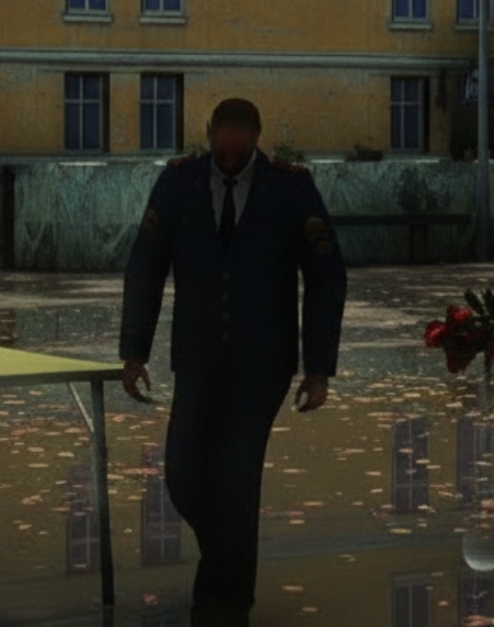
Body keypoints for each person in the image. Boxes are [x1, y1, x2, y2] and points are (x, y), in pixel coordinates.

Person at [119, 98, 346, 626]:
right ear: (210, 138)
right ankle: (224, 568)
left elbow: (326, 275)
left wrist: (318, 367)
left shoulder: (290, 188)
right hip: (197, 358)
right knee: (182, 475)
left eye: (238, 156)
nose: (228, 164)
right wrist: (133, 350)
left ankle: (228, 600)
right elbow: (145, 266)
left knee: (237, 476)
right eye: (221, 154)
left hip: (262, 363)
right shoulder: (179, 183)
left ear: (256, 141)